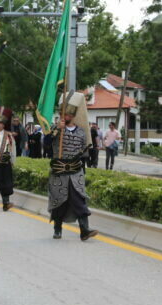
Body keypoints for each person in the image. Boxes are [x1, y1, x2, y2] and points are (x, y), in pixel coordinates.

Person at [48, 92, 98, 241]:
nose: (66, 116)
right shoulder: (55, 129)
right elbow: (46, 143)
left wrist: (85, 168)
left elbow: (83, 152)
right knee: (59, 201)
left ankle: (84, 230)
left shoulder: (82, 132)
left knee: (79, 199)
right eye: (64, 113)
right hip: (59, 171)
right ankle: (57, 228)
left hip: (76, 171)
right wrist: (57, 129)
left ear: (74, 115)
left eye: (69, 114)